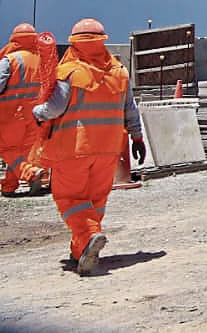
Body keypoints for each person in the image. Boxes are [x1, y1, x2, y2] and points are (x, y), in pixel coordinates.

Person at [32, 18, 144, 276]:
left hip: (74, 148)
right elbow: (130, 109)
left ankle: (90, 236)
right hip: (109, 150)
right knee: (95, 201)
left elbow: (55, 108)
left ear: (74, 42)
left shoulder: (69, 71)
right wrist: (137, 137)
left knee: (69, 198)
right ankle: (81, 249)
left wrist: (37, 112)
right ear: (102, 41)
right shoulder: (119, 71)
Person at [0, 24, 45, 196]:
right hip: (35, 116)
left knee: (7, 149)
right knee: (20, 152)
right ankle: (9, 186)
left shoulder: (10, 59)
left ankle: (31, 173)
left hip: (11, 114)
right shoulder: (42, 60)